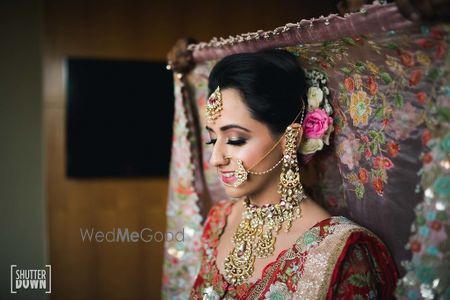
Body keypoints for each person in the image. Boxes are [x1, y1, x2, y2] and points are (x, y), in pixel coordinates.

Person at [188, 49, 398, 299]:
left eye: (235, 140)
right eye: (213, 140)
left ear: (290, 139)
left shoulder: (339, 251)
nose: (215, 159)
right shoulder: (218, 221)